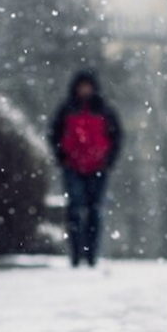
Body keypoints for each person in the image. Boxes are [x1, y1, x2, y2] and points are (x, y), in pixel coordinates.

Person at [50, 70, 122, 268]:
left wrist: (108, 160)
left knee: (94, 211)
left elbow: (116, 137)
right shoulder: (67, 109)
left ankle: (91, 255)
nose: (85, 90)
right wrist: (62, 157)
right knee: (75, 209)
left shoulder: (104, 110)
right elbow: (55, 134)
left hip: (98, 167)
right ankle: (75, 254)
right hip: (72, 166)